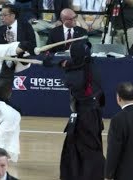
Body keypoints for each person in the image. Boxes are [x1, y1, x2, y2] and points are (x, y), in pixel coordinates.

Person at [43, 40, 105, 180]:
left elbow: (70, 76)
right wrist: (52, 62)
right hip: (88, 113)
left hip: (86, 115)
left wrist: (60, 65)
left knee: (88, 147)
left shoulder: (79, 74)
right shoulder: (88, 63)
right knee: (74, 144)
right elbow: (69, 64)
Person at [104, 82, 133, 180]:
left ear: (118, 98)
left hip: (122, 173)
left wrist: (108, 173)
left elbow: (113, 150)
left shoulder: (117, 120)